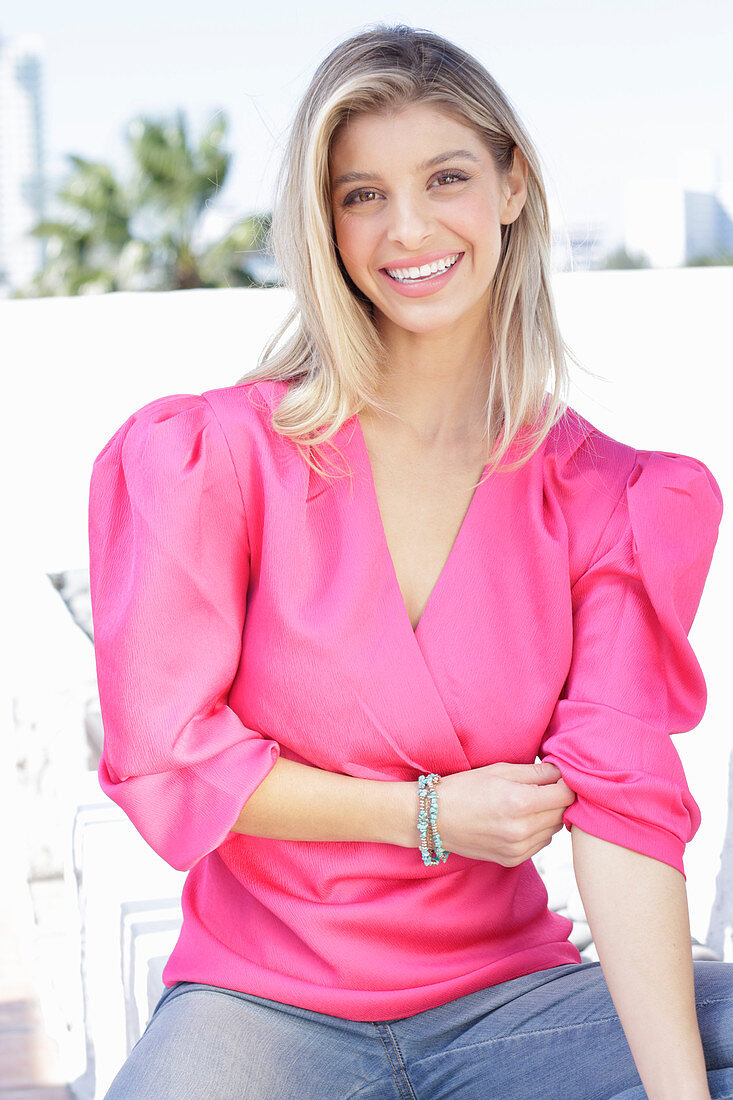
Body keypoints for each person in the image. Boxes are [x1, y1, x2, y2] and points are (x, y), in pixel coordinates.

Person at [88, 23, 733, 1100]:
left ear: (512, 185)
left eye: (446, 177)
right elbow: (170, 757)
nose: (410, 228)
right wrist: (426, 812)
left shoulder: (614, 498)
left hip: (512, 1001)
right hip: (261, 1002)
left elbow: (624, 813)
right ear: (323, 221)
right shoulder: (214, 458)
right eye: (361, 194)